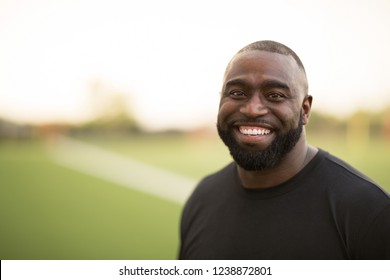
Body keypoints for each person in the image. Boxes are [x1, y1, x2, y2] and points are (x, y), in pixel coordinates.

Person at [179, 40, 390, 260]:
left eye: (275, 95)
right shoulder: (202, 197)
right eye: (237, 92)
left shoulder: (369, 212)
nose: (252, 109)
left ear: (305, 110)